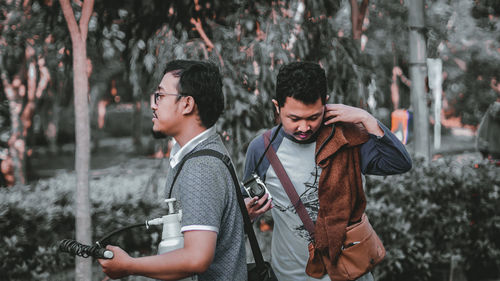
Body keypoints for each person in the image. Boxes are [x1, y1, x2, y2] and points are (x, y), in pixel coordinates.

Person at [243, 62, 412, 281]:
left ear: (327, 103)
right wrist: (248, 215)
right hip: (291, 276)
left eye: (313, 117)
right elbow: (247, 211)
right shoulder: (262, 148)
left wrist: (365, 118)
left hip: (350, 273)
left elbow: (400, 162)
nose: (304, 127)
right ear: (277, 107)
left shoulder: (349, 138)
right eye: (294, 119)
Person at [99, 60, 247, 281]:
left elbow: (197, 258)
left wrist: (129, 266)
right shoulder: (205, 151)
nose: (153, 104)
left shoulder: (201, 168)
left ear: (187, 104)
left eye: (160, 95)